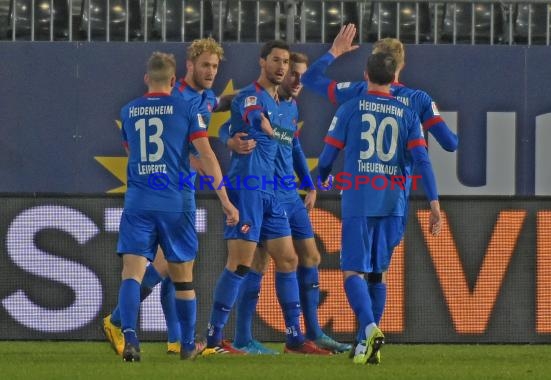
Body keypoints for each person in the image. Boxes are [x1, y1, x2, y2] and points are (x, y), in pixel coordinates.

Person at [103, 37, 231, 356]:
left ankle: (130, 337)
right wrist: (226, 200)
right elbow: (208, 156)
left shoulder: (129, 111)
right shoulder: (185, 108)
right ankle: (186, 343)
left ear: (147, 78)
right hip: (176, 201)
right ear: (175, 79)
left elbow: (132, 152)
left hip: (139, 201)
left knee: (132, 274)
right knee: (182, 276)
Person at [202, 41, 330, 356]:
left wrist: (304, 181)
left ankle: (294, 338)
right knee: (240, 262)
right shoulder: (252, 95)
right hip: (247, 189)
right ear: (262, 62)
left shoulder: (281, 101)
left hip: (272, 192)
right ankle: (214, 339)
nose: (282, 67)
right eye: (276, 60)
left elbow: (278, 141)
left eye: (285, 62)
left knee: (288, 259)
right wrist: (256, 124)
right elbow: (249, 110)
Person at [317, 52, 442, 364]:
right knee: (378, 273)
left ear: (365, 74)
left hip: (360, 197)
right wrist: (435, 205)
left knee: (352, 270)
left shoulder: (349, 108)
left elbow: (326, 158)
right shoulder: (408, 114)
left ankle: (370, 329)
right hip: (394, 201)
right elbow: (423, 162)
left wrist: (323, 180)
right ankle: (364, 347)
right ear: (395, 76)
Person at [301, 23, 458, 152]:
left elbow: (309, 79)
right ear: (402, 65)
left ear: (372, 64)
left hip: (357, 184)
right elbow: (450, 144)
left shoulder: (357, 91)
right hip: (395, 187)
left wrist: (334, 51)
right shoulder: (419, 99)